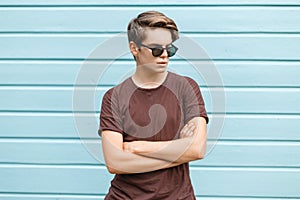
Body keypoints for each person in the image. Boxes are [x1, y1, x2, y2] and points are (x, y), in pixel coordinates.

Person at [99, 10, 208, 199]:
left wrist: (138, 147)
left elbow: (196, 149)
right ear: (134, 48)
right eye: (157, 49)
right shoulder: (113, 97)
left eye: (170, 49)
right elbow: (115, 163)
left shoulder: (187, 88)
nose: (164, 55)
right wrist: (178, 149)